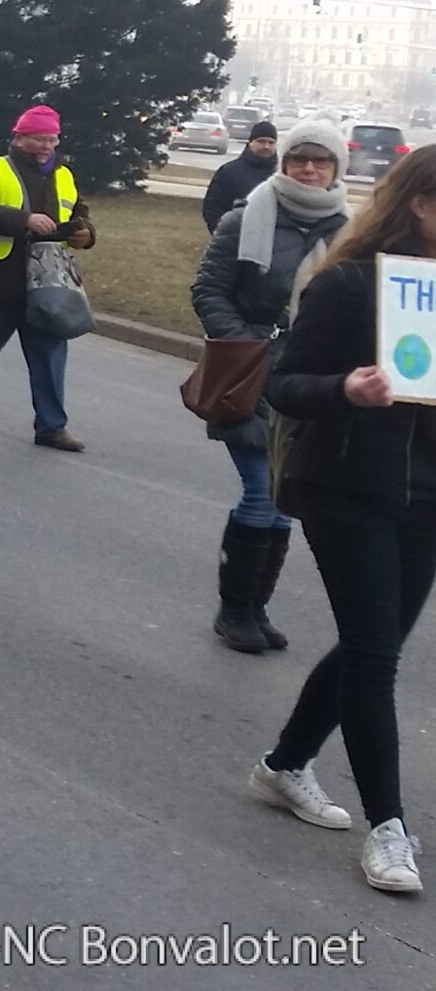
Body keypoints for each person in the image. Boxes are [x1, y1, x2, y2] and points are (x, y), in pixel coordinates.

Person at [246, 145, 436, 894]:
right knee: (375, 653)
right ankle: (389, 827)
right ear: (420, 203)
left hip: (427, 496)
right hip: (349, 485)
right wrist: (346, 390)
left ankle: (284, 765)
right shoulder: (350, 284)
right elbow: (284, 382)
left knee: (373, 643)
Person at [193, 118, 349, 654]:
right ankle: (234, 609)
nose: (308, 168)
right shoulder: (245, 218)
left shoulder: (352, 231)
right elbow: (208, 291)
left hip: (308, 380)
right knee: (262, 490)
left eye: (319, 160)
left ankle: (255, 606)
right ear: (283, 162)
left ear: (335, 168)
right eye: (298, 158)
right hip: (250, 373)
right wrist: (247, 343)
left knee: (284, 497)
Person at [0, 104, 95, 451]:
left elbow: (80, 215)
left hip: (48, 285)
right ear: (19, 138)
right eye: (38, 139)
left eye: (51, 139)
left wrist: (85, 234)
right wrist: (25, 220)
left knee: (50, 356)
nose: (45, 146)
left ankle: (52, 427)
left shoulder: (64, 174)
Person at [204, 120, 282, 231]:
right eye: (261, 141)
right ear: (250, 143)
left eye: (271, 142)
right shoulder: (229, 172)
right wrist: (225, 234)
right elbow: (212, 208)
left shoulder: (282, 174)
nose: (266, 146)